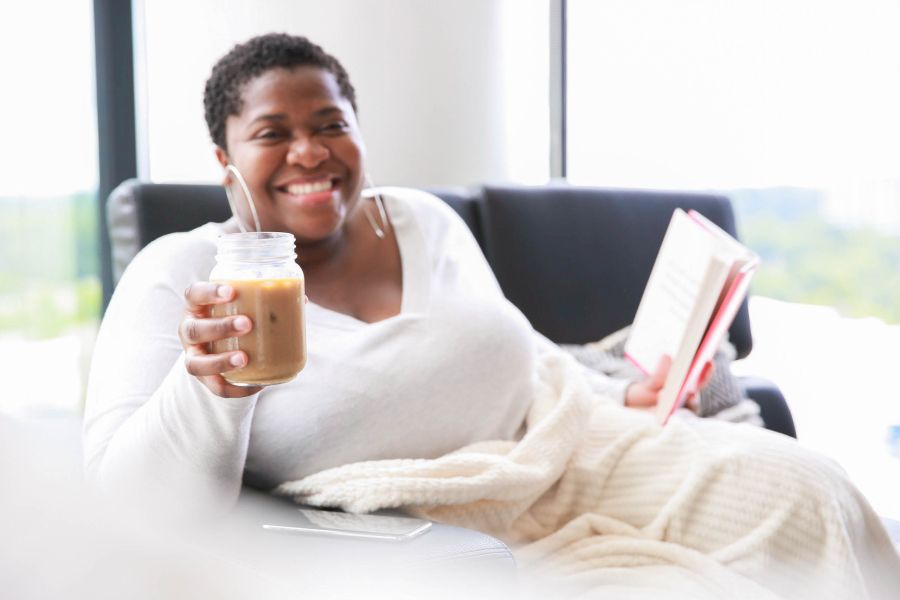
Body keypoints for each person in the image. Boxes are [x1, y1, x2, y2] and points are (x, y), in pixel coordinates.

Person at [83, 33, 899, 598]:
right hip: (448, 538)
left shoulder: (422, 222)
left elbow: (525, 351)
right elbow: (133, 510)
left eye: (332, 123)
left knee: (809, 489)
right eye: (274, 133)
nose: (310, 151)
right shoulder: (185, 273)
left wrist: (621, 389)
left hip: (577, 452)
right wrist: (214, 393)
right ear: (225, 163)